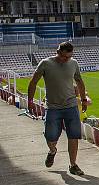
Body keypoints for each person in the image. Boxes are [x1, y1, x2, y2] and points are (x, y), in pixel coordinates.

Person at [27, 42, 88, 176]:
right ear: (58, 52)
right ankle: (52, 151)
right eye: (65, 57)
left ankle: (73, 165)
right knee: (50, 136)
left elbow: (79, 82)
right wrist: (30, 101)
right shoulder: (45, 63)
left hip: (71, 105)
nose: (67, 60)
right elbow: (33, 82)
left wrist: (83, 100)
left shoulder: (73, 63)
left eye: (69, 57)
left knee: (73, 136)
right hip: (53, 107)